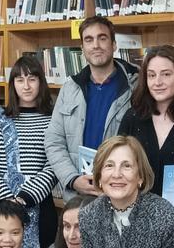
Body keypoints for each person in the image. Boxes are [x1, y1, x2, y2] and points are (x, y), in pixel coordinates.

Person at [0, 55, 57, 248]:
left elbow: (54, 165)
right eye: (20, 80)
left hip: (37, 203)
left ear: (41, 82)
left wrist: (23, 199)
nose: (26, 86)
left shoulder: (53, 120)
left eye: (32, 79)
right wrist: (6, 201)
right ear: (13, 84)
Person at [45, 15, 139, 200]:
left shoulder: (135, 86)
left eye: (102, 38)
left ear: (114, 45)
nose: (96, 45)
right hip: (79, 193)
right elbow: (53, 141)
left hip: (121, 192)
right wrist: (72, 179)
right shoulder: (69, 88)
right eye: (89, 40)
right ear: (82, 48)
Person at [117, 44, 174, 196]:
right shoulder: (132, 117)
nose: (157, 82)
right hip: (137, 206)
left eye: (166, 74)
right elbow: (119, 165)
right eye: (151, 75)